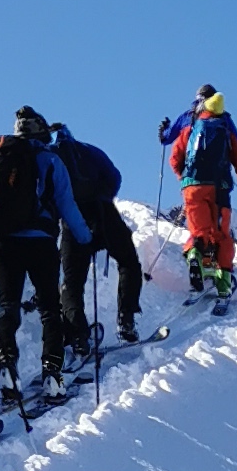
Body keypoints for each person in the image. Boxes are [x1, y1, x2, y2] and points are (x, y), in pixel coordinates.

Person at [0, 105, 93, 401]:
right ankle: (52, 374)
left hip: (2, 242)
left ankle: (7, 366)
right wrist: (85, 238)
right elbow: (67, 205)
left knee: (8, 305)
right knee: (49, 308)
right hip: (40, 242)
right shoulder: (50, 160)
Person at [162, 84, 237, 305]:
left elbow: (174, 157)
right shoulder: (224, 121)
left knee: (199, 231)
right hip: (219, 187)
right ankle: (223, 285)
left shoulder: (191, 121)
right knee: (221, 234)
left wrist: (186, 180)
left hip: (192, 186)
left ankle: (196, 259)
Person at [50, 121, 144, 350]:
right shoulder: (90, 151)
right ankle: (126, 319)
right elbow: (115, 176)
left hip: (72, 220)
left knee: (72, 283)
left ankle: (78, 334)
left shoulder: (51, 156)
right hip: (104, 214)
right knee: (128, 262)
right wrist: (104, 196)